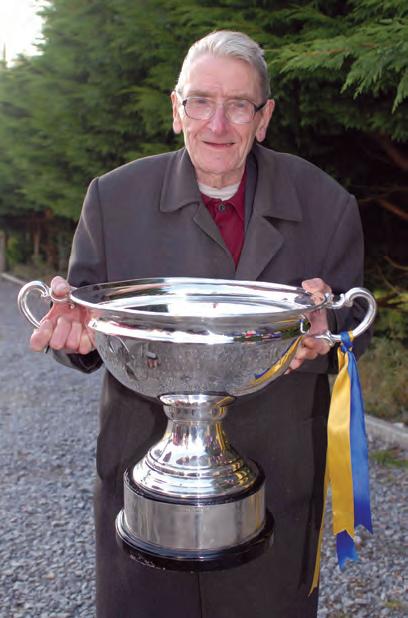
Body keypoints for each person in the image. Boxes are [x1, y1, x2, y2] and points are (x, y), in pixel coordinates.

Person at [29, 30, 369, 618]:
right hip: (146, 483)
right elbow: (84, 318)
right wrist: (73, 335)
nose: (217, 124)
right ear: (176, 108)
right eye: (200, 102)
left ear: (264, 118)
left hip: (277, 482)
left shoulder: (327, 204)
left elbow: (350, 321)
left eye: (239, 105)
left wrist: (326, 323)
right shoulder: (113, 199)